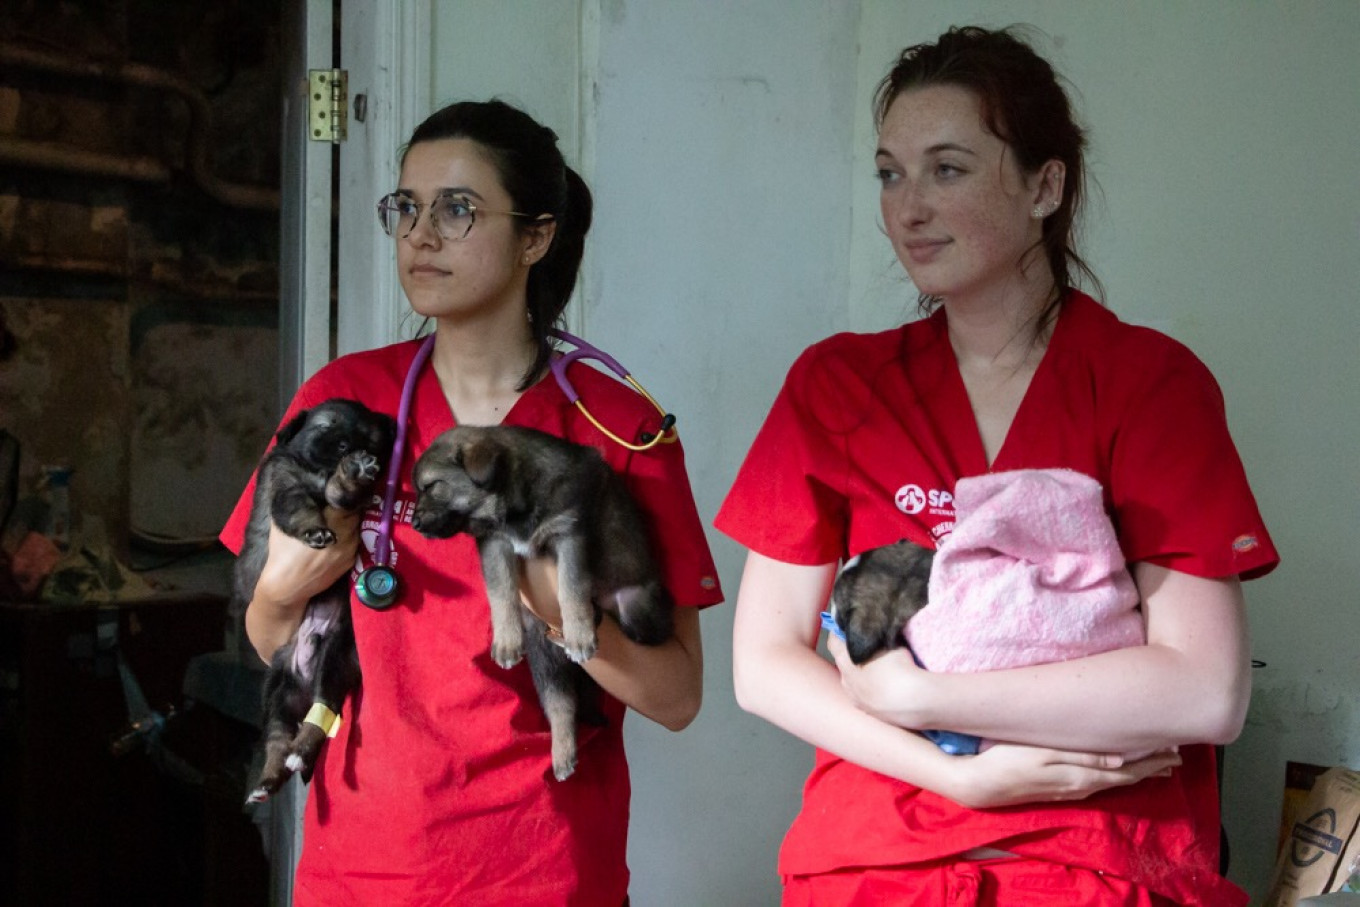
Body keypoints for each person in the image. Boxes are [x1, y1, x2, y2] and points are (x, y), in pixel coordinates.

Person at [716, 25, 1276, 907]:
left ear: (1045, 185)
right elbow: (763, 661)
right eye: (890, 172)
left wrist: (919, 692)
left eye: (948, 168)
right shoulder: (838, 385)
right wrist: (954, 771)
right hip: (875, 860)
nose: (908, 207)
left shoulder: (1149, 384)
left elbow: (1205, 691)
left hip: (1096, 858)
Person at [221, 99, 723, 906]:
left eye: (457, 208)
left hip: (544, 871)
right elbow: (273, 637)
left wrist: (553, 602)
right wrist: (285, 584)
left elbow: (677, 694)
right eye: (407, 207)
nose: (420, 235)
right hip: (362, 871)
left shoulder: (614, 428)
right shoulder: (344, 399)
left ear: (536, 235)